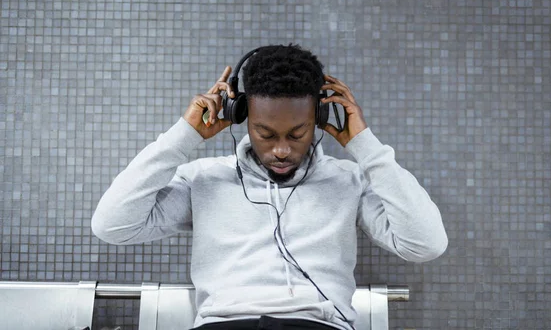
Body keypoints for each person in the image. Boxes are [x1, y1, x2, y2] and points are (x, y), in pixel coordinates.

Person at [91, 44, 448, 330]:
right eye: (266, 134)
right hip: (223, 325)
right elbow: (112, 225)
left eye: (297, 134)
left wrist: (364, 145)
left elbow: (425, 245)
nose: (281, 150)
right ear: (243, 116)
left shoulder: (348, 181)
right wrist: (184, 137)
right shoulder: (202, 179)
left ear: (320, 120)